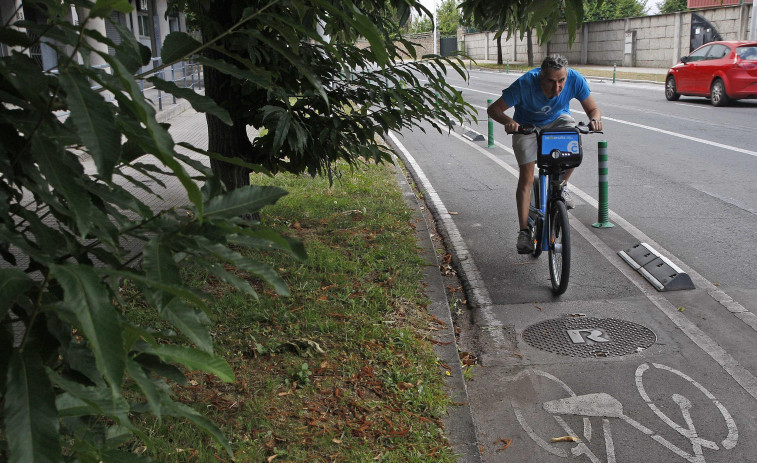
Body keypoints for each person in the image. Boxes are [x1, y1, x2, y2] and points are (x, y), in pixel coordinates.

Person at [487, 54, 602, 254]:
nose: (557, 88)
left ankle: (562, 185)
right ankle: (524, 231)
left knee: (573, 138)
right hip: (527, 127)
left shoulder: (575, 79)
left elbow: (593, 109)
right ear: (541, 76)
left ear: (567, 76)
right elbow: (494, 109)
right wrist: (509, 122)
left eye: (561, 81)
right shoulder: (525, 84)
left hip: (557, 122)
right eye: (551, 81)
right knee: (527, 178)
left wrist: (595, 120)